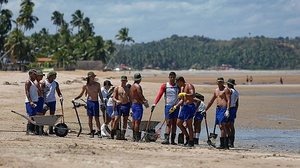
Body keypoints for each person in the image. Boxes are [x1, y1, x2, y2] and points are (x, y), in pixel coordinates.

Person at [73, 72, 104, 138]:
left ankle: (99, 132)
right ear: (89, 77)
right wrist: (75, 98)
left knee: (97, 118)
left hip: (96, 102)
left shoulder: (97, 84)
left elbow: (100, 94)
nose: (93, 78)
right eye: (92, 77)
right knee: (90, 118)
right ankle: (91, 131)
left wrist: (103, 102)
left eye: (93, 77)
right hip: (89, 102)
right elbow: (81, 94)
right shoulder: (86, 85)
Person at [152, 72, 180, 145]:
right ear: (169, 77)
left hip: (176, 106)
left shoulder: (178, 86)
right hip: (168, 106)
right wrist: (154, 103)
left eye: (173, 77)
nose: (172, 79)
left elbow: (181, 96)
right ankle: (166, 139)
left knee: (174, 123)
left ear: (175, 77)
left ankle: (173, 140)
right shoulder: (165, 86)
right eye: (171, 77)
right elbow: (159, 95)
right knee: (168, 123)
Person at [205, 77, 231, 149]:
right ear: (217, 82)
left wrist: (228, 109)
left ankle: (224, 144)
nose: (220, 83)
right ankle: (224, 144)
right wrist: (205, 109)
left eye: (221, 82)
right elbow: (211, 101)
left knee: (222, 125)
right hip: (218, 109)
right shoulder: (216, 90)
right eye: (218, 82)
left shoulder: (226, 90)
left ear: (223, 82)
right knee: (220, 126)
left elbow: (229, 100)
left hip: (224, 109)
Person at [175, 76, 196, 147]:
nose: (177, 84)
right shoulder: (181, 88)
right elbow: (182, 99)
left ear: (180, 81)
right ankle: (187, 137)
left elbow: (193, 95)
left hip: (190, 106)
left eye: (177, 83)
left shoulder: (189, 86)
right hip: (184, 106)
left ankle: (191, 141)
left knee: (189, 124)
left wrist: (185, 94)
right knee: (178, 123)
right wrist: (176, 106)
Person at [129, 73, 149, 142]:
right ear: (140, 79)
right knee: (137, 122)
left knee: (134, 121)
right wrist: (145, 102)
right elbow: (140, 94)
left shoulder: (132, 86)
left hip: (133, 105)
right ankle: (137, 138)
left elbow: (131, 96)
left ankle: (134, 137)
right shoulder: (138, 86)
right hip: (137, 105)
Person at [25, 69, 38, 134]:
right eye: (34, 74)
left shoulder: (34, 82)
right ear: (30, 74)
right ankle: (29, 130)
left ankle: (33, 130)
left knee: (34, 116)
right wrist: (30, 101)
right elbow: (27, 92)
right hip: (30, 101)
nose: (35, 75)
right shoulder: (28, 82)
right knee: (31, 115)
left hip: (35, 101)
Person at [226, 78, 239, 148]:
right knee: (231, 125)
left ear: (228, 84)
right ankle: (231, 142)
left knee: (227, 125)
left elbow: (228, 100)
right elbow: (237, 104)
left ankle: (229, 140)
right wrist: (235, 112)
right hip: (233, 109)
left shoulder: (229, 91)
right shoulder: (236, 92)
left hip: (229, 108)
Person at [35, 70, 47, 135]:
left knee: (40, 114)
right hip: (39, 99)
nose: (42, 77)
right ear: (37, 76)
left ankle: (39, 130)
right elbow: (38, 93)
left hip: (40, 99)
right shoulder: (37, 83)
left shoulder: (39, 82)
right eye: (41, 76)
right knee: (39, 115)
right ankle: (38, 130)